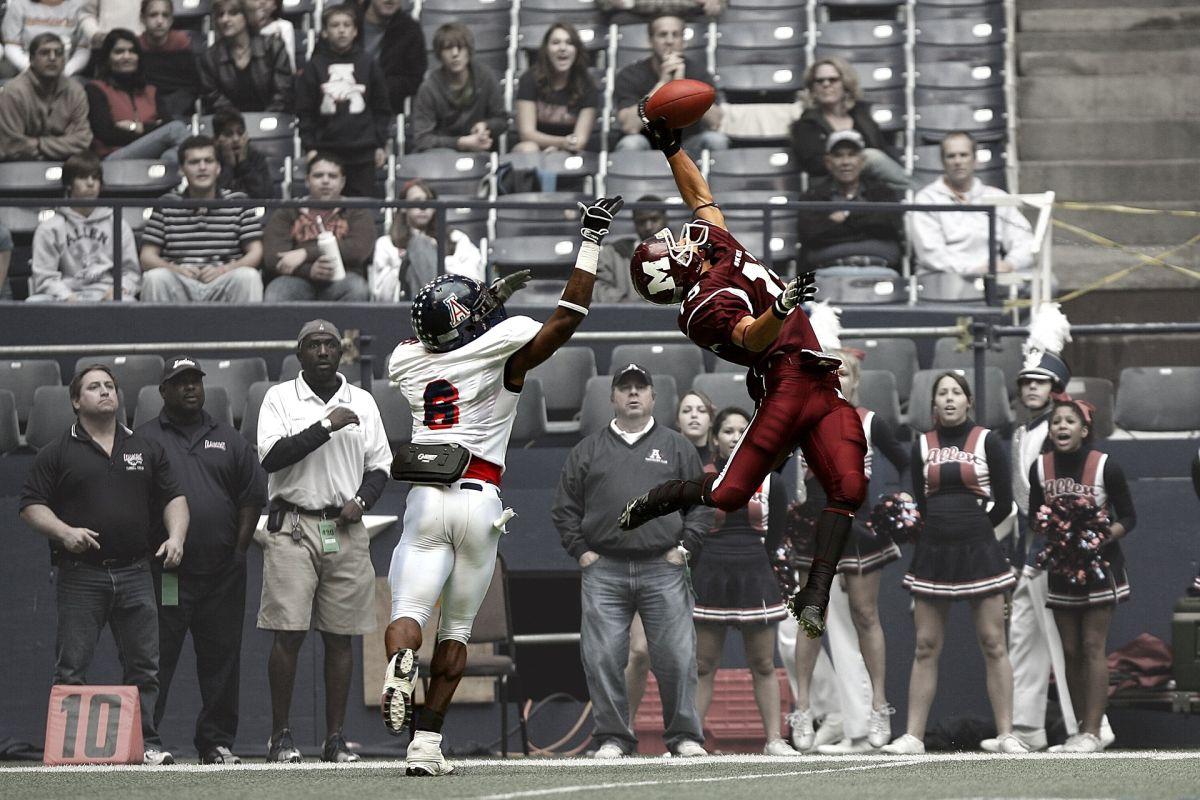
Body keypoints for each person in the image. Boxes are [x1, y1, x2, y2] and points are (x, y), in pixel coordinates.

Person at [381, 196, 626, 775]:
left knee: (409, 611)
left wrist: (481, 303)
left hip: (426, 499)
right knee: (458, 630)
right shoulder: (505, 350)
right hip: (480, 502)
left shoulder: (407, 362)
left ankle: (400, 664)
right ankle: (426, 744)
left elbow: (449, 333)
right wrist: (590, 240)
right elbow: (567, 317)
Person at [617, 111, 866, 642]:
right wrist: (781, 308)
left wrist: (671, 149)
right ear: (674, 272)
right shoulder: (701, 306)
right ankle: (664, 497)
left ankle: (814, 593)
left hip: (819, 378)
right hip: (785, 381)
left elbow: (700, 198)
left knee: (849, 486)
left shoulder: (716, 247)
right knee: (729, 495)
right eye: (676, 249)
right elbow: (751, 337)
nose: (684, 240)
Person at [18, 363, 188, 766]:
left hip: (136, 571)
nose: (105, 391)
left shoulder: (144, 447)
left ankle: (147, 744)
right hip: (81, 575)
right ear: (76, 401)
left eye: (110, 385)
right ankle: (68, 750)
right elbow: (30, 505)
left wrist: (177, 537)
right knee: (72, 666)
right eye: (94, 387)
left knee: (144, 666)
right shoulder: (57, 451)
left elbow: (174, 498)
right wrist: (64, 532)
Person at [553, 362, 712, 759]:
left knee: (677, 656)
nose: (634, 393)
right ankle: (613, 737)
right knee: (603, 656)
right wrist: (581, 551)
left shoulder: (677, 446)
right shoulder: (587, 449)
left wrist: (686, 547)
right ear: (613, 397)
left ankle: (684, 736)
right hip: (603, 568)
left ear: (654, 397)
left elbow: (701, 503)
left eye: (641, 387)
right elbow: (565, 508)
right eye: (626, 388)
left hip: (664, 566)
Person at [257, 319, 392, 763]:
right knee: (289, 633)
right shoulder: (279, 398)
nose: (322, 351)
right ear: (299, 354)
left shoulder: (363, 400)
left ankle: (335, 739)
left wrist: (362, 500)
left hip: (344, 528)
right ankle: (280, 736)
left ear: (341, 353)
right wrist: (326, 425)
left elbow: (380, 466)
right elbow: (272, 457)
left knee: (340, 636)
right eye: (313, 345)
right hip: (293, 525)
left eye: (330, 345)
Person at [881, 372, 1023, 755]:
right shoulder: (922, 445)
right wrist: (941, 529)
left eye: (956, 393)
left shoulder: (987, 441)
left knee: (994, 642)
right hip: (934, 552)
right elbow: (920, 503)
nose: (948, 398)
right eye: (942, 393)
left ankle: (1006, 733)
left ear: (968, 401)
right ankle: (913, 736)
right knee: (926, 645)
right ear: (933, 404)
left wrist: (974, 528)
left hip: (979, 550)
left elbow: (1005, 502)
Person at [137, 356, 267, 765]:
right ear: (163, 391)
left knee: (222, 662)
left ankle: (215, 743)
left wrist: (239, 552)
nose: (190, 388)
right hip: (167, 573)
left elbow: (251, 497)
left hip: (222, 575)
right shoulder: (144, 439)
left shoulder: (228, 438)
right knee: (156, 659)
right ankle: (146, 741)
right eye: (180, 382)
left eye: (195, 381)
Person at [782, 347, 908, 754]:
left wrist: (896, 500)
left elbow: (907, 462)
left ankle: (879, 707)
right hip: (815, 526)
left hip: (858, 526)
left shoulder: (870, 421)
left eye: (844, 374)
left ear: (856, 382)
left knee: (865, 615)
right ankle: (804, 710)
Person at [1030, 398, 1135, 753]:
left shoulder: (1106, 465)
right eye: (1056, 421)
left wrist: (1099, 537)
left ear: (1084, 430)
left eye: (1069, 421)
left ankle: (1093, 731)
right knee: (1070, 649)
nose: (1061, 426)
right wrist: (1057, 530)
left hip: (1099, 566)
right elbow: (1035, 517)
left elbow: (1129, 517)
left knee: (1092, 646)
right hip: (1062, 567)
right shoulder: (1040, 468)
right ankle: (1078, 730)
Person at [693, 406, 795, 756]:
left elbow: (776, 535)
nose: (736, 437)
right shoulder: (701, 479)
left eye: (743, 431)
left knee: (764, 663)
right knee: (703, 665)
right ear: (715, 439)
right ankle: (691, 740)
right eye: (728, 431)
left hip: (755, 573)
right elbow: (690, 529)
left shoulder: (772, 480)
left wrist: (757, 562)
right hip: (711, 575)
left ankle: (774, 740)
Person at [625, 387, 716, 723]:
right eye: (687, 410)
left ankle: (686, 734)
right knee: (640, 651)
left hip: (708, 569)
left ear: (711, 419)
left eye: (701, 410)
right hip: (658, 564)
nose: (694, 416)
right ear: (677, 420)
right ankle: (621, 732)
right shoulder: (659, 458)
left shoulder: (724, 463)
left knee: (691, 658)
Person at [139, 135, 265, 303]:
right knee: (155, 278)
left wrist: (225, 269)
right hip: (180, 280)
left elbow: (256, 252)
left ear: (218, 168)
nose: (202, 167)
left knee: (248, 277)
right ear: (181, 170)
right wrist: (175, 270)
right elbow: (147, 256)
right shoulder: (166, 204)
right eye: (194, 162)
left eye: (209, 161)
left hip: (224, 279)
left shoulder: (238, 201)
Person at [295, 3, 391, 199]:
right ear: (324, 31)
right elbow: (305, 111)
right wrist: (310, 146)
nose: (341, 30)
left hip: (362, 153)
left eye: (347, 25)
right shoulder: (314, 66)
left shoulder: (368, 63)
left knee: (361, 208)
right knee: (328, 206)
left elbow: (381, 108)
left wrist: (379, 143)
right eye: (335, 25)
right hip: (326, 151)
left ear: (355, 31)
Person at [912, 130, 1033, 277]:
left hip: (992, 278)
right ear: (942, 162)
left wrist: (1010, 263)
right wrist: (974, 270)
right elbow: (931, 255)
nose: (958, 161)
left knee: (1048, 282)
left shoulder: (996, 197)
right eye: (951, 156)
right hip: (943, 280)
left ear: (975, 159)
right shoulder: (926, 199)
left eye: (964, 155)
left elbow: (1025, 240)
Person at [27, 151, 141, 302]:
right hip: (64, 295)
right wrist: (66, 296)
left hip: (106, 293)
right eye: (83, 177)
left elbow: (131, 273)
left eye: (95, 178)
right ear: (69, 184)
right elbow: (44, 276)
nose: (91, 183)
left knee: (127, 302)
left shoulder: (117, 223)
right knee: (35, 302)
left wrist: (118, 290)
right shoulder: (50, 227)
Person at [262, 152, 374, 302]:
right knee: (276, 292)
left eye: (332, 176)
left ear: (342, 182)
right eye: (318, 175)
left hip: (343, 278)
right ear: (307, 180)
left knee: (357, 288)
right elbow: (273, 257)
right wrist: (309, 270)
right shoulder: (287, 211)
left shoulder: (357, 211)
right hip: (296, 278)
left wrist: (305, 253)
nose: (325, 181)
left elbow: (358, 250)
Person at [789, 57, 909, 194]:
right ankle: (918, 193)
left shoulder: (862, 117)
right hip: (830, 192)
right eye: (819, 81)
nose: (826, 84)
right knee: (872, 156)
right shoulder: (806, 125)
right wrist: (854, 160)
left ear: (845, 84)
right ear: (812, 88)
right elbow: (815, 166)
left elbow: (881, 150)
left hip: (869, 190)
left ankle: (917, 195)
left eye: (833, 80)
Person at [612, 14, 726, 155]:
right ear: (650, 41)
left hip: (689, 145)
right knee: (631, 143)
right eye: (662, 35)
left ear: (683, 41)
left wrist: (683, 88)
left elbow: (715, 122)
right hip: (647, 145)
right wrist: (662, 85)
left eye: (676, 35)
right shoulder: (630, 74)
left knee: (716, 140)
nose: (669, 41)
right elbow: (630, 126)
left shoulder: (698, 72)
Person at [795, 130, 903, 273]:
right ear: (828, 162)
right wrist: (866, 221)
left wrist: (842, 217)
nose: (845, 162)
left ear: (862, 160)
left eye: (852, 155)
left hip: (881, 271)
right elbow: (811, 233)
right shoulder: (812, 196)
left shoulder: (883, 192)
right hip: (826, 274)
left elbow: (888, 226)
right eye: (838, 156)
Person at [85, 29, 190, 167]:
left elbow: (166, 124)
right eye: (119, 52)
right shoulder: (95, 89)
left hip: (152, 155)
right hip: (113, 159)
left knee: (171, 155)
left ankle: (166, 176)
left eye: (132, 51)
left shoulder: (151, 91)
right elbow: (107, 134)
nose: (127, 56)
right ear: (107, 58)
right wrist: (153, 129)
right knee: (177, 129)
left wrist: (136, 127)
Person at [369, 177, 484, 300]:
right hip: (405, 304)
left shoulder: (457, 238)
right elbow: (380, 294)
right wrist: (408, 263)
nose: (423, 208)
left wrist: (436, 259)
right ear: (403, 207)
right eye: (417, 202)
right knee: (418, 245)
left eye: (428, 202)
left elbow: (475, 282)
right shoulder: (386, 243)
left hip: (452, 303)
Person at [411, 22, 507, 153]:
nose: (455, 54)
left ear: (468, 50)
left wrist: (485, 125)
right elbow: (422, 139)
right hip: (441, 156)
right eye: (448, 48)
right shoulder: (429, 88)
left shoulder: (485, 77)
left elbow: (502, 120)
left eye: (460, 47)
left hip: (479, 152)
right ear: (439, 54)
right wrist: (460, 143)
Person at [0, 33, 93, 161]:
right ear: (31, 59)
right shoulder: (14, 92)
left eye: (58, 53)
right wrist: (63, 144)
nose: (52, 58)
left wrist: (37, 144)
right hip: (20, 164)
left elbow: (83, 140)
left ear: (64, 60)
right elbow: (12, 145)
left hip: (66, 163)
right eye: (45, 53)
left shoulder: (75, 90)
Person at [513, 23, 598, 155]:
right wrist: (560, 143)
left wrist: (560, 149)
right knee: (528, 148)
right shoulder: (529, 79)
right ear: (546, 50)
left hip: (569, 153)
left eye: (569, 43)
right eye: (556, 42)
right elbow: (527, 134)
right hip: (536, 150)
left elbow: (580, 140)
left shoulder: (587, 84)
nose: (562, 48)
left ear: (577, 50)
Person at [198, 0, 292, 113]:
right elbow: (213, 99)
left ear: (247, 15)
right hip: (228, 121)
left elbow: (283, 93)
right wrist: (236, 121)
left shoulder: (273, 48)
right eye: (220, 15)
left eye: (233, 13)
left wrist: (264, 119)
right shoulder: (210, 57)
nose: (225, 19)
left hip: (271, 119)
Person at [356, 0, 426, 114]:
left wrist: (377, 87)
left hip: (386, 109)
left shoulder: (410, 30)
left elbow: (414, 79)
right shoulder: (347, 22)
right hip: (343, 104)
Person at [595, 195, 667, 303]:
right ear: (634, 223)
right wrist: (627, 305)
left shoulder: (683, 252)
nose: (648, 227)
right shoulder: (613, 253)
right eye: (641, 222)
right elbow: (598, 288)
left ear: (665, 218)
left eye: (654, 219)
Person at [138, 0, 202, 120]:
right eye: (153, 15)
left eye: (165, 15)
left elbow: (191, 86)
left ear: (171, 19)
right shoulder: (136, 47)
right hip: (146, 107)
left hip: (180, 108)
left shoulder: (182, 43)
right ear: (143, 19)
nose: (160, 21)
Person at [2, 0, 91, 77]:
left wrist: (66, 72)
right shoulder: (19, 4)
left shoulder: (80, 5)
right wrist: (31, 69)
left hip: (68, 72)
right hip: (26, 70)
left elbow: (83, 49)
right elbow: (11, 45)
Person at [213, 108, 276, 199]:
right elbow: (214, 197)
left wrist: (243, 163)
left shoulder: (256, 158)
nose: (236, 139)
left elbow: (266, 196)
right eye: (228, 134)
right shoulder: (211, 160)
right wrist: (228, 165)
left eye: (240, 133)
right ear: (216, 140)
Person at [248, 0, 295, 70]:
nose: (262, 1)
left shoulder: (283, 27)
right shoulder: (245, 27)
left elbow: (289, 64)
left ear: (275, 5)